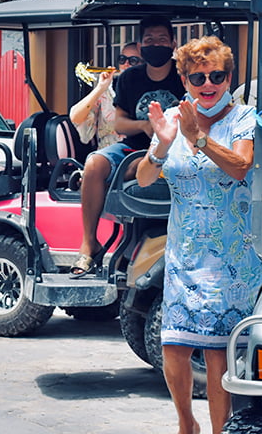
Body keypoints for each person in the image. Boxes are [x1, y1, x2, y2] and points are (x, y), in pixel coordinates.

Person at [135, 35, 262, 434]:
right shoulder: (173, 119)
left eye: (217, 76)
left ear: (229, 77)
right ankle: (186, 426)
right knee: (173, 346)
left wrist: (200, 139)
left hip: (231, 258)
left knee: (216, 354)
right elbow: (144, 179)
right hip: (184, 253)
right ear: (185, 80)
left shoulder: (244, 118)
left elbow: (241, 166)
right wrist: (163, 145)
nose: (208, 85)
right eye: (198, 78)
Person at [71, 18, 183, 278]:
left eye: (162, 40)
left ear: (173, 44)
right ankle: (89, 243)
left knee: (137, 167)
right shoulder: (130, 78)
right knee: (94, 164)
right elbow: (120, 123)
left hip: (174, 150)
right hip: (134, 146)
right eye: (150, 40)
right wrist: (143, 126)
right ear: (141, 46)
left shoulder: (184, 76)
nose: (156, 45)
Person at [68, 41, 140, 150]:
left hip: (140, 153)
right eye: (122, 59)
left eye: (133, 61)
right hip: (109, 154)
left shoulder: (149, 92)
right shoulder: (108, 91)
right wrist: (100, 88)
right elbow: (75, 117)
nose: (126, 64)